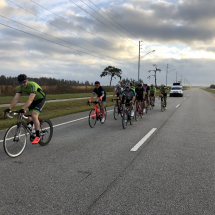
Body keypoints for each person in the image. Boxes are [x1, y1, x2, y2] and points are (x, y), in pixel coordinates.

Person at [3, 74, 46, 144]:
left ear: (27, 80)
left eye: (24, 82)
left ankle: (38, 136)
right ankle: (31, 124)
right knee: (23, 113)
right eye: (20, 83)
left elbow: (30, 99)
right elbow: (16, 98)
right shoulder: (20, 87)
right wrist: (9, 108)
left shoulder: (32, 85)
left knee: (34, 115)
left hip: (40, 100)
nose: (22, 84)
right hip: (34, 100)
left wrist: (23, 108)